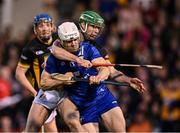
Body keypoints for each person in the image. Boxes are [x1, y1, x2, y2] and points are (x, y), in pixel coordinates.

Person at [51, 11, 146, 132]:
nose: (96, 31)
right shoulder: (69, 35)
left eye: (98, 28)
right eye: (93, 26)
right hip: (80, 100)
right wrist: (78, 60)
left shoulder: (96, 48)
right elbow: (55, 50)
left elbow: (109, 70)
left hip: (101, 96)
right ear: (83, 25)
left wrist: (128, 80)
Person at [41, 21, 126, 132]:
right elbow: (44, 83)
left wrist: (98, 77)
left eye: (75, 39)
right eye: (69, 41)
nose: (73, 43)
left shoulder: (88, 48)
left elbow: (104, 69)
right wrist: (63, 80)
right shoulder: (54, 58)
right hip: (83, 104)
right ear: (61, 42)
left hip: (102, 96)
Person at [15, 13, 91, 132]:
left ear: (52, 27)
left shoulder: (61, 39)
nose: (44, 28)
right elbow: (19, 74)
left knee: (75, 123)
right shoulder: (30, 49)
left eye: (47, 25)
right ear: (35, 29)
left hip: (67, 90)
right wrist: (34, 92)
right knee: (34, 129)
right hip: (47, 91)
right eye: (40, 26)